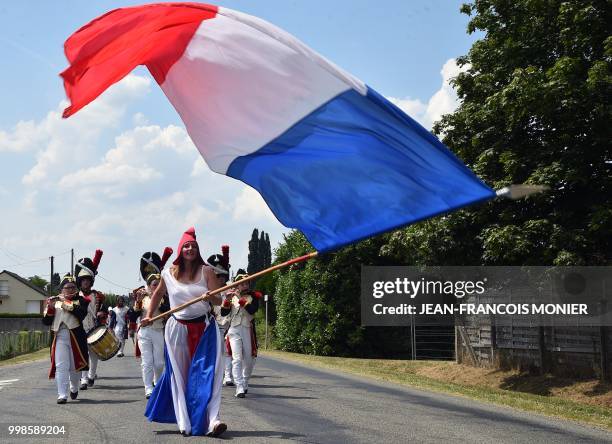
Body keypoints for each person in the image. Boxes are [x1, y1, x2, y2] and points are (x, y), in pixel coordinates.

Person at [141, 227, 227, 437]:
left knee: (210, 375)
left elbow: (220, 300)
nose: (190, 249)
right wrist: (149, 314)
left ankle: (213, 420)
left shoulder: (206, 271)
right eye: (187, 246)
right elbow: (157, 294)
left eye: (194, 246)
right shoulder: (167, 274)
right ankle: (185, 421)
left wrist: (210, 297)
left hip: (205, 330)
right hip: (177, 330)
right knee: (180, 377)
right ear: (181, 249)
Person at [130, 248, 172, 398]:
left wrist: (156, 297)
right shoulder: (142, 297)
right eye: (152, 284)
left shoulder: (163, 298)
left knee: (159, 363)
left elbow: (168, 311)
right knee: (147, 361)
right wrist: (137, 302)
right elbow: (133, 315)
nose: (154, 286)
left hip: (158, 330)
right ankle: (148, 388)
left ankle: (157, 382)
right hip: (145, 332)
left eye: (157, 284)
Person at [42, 274, 89, 404]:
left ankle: (73, 387)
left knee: (74, 367)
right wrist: (50, 307)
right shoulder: (55, 301)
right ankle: (62, 394)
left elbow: (80, 313)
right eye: (67, 287)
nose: (70, 289)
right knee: (61, 366)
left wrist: (64, 302)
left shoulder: (82, 300)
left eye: (72, 287)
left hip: (75, 337)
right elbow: (46, 321)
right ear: (61, 289)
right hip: (60, 336)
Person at [220, 269, 261, 397]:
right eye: (242, 283)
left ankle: (244, 381)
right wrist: (226, 301)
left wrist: (239, 298)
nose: (245, 285)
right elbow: (224, 313)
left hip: (247, 329)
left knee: (248, 360)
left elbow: (252, 311)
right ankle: (239, 386)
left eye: (247, 283)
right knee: (237, 358)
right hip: (234, 330)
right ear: (237, 285)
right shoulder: (231, 298)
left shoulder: (253, 297)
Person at [75, 250, 106, 390]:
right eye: (83, 281)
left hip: (94, 328)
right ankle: (83, 379)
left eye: (87, 280)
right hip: (80, 328)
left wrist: (101, 312)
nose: (85, 283)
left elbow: (104, 309)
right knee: (83, 354)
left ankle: (91, 375)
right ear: (80, 282)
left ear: (91, 281)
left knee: (93, 355)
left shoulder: (97, 296)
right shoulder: (75, 296)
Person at [207, 247, 233, 386]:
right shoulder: (208, 292)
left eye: (222, 275)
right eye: (217, 276)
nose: (220, 278)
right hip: (213, 326)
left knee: (227, 352)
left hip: (229, 325)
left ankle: (228, 376)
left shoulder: (231, 290)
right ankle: (216, 375)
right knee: (215, 353)